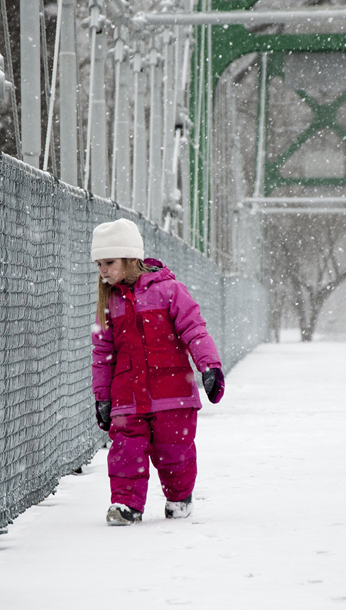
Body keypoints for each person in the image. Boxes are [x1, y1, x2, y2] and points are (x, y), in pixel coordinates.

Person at [91, 218, 224, 526]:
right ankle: (126, 505)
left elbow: (194, 330)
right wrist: (102, 397)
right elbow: (102, 354)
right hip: (127, 396)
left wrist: (210, 367)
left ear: (129, 257)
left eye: (109, 262)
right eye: (99, 264)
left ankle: (179, 498)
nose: (103, 271)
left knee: (174, 451)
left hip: (172, 392)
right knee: (125, 450)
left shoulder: (169, 291)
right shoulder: (109, 303)